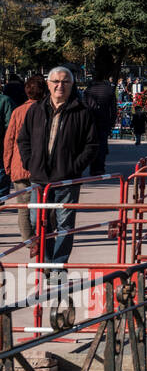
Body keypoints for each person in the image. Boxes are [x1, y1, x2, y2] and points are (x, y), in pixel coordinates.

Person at [17, 67, 98, 264]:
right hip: (39, 178)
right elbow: (23, 139)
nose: (59, 86)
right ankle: (47, 261)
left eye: (65, 82)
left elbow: (92, 145)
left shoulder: (82, 111)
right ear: (48, 84)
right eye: (55, 82)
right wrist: (30, 162)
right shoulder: (35, 110)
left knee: (65, 224)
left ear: (71, 85)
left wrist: (74, 167)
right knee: (37, 222)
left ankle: (57, 268)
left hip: (67, 179)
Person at [3, 76, 47, 247]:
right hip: (40, 166)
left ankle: (28, 240)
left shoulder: (18, 111)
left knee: (23, 207)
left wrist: (7, 164)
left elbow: (10, 139)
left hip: (19, 165)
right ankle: (39, 237)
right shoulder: (46, 110)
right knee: (40, 206)